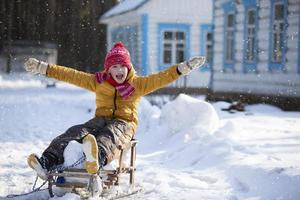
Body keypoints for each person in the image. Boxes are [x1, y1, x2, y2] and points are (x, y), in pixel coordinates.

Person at [24, 42, 205, 180]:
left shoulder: (138, 84)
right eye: (115, 67)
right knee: (76, 131)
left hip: (125, 123)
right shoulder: (99, 81)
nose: (119, 70)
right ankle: (47, 161)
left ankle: (97, 158)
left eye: (122, 66)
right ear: (108, 69)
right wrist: (44, 68)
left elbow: (161, 78)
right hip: (101, 119)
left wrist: (182, 68)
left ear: (128, 67)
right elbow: (71, 74)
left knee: (110, 134)